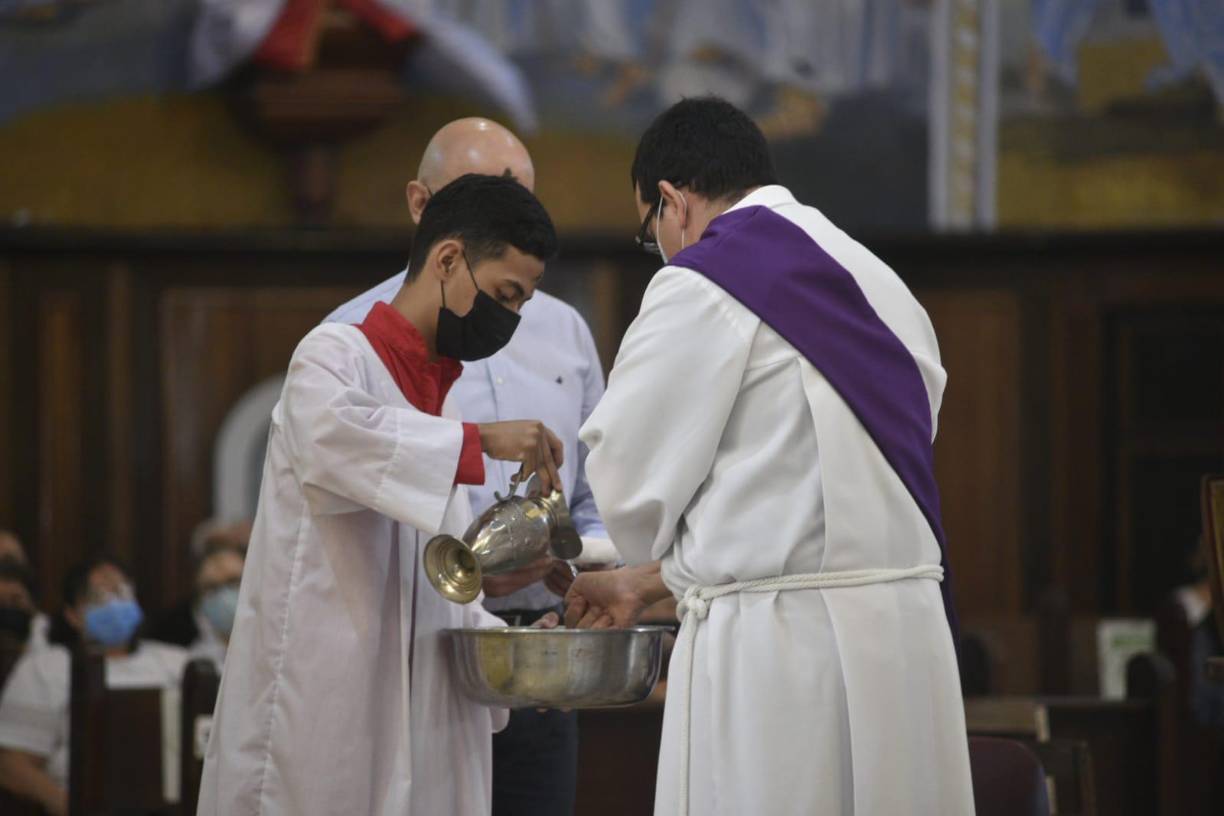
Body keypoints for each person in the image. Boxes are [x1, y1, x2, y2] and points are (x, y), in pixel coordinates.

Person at [563, 97, 974, 815]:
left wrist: (626, 556)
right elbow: (840, 485)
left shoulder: (701, 282)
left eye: (647, 231)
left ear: (672, 203)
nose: (657, 247)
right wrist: (656, 580)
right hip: (908, 636)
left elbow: (630, 493)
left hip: (778, 652)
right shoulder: (881, 282)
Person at [198, 173, 566, 816]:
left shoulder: (438, 400)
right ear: (449, 259)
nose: (508, 319)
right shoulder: (335, 356)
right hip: (327, 700)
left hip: (424, 713)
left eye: (522, 304)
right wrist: (477, 441)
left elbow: (431, 587)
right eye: (505, 294)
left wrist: (528, 649)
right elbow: (334, 438)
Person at [325, 116, 616, 816]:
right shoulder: (351, 338)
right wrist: (466, 565)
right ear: (424, 208)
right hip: (418, 649)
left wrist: (581, 571)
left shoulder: (565, 329)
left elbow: (598, 487)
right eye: (485, 198)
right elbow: (354, 505)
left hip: (539, 648)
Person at [0, 556, 187, 816]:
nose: (113, 603)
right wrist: (73, 807)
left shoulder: (180, 663)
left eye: (121, 592)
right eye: (99, 596)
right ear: (73, 615)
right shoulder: (45, 668)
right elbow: (12, 763)